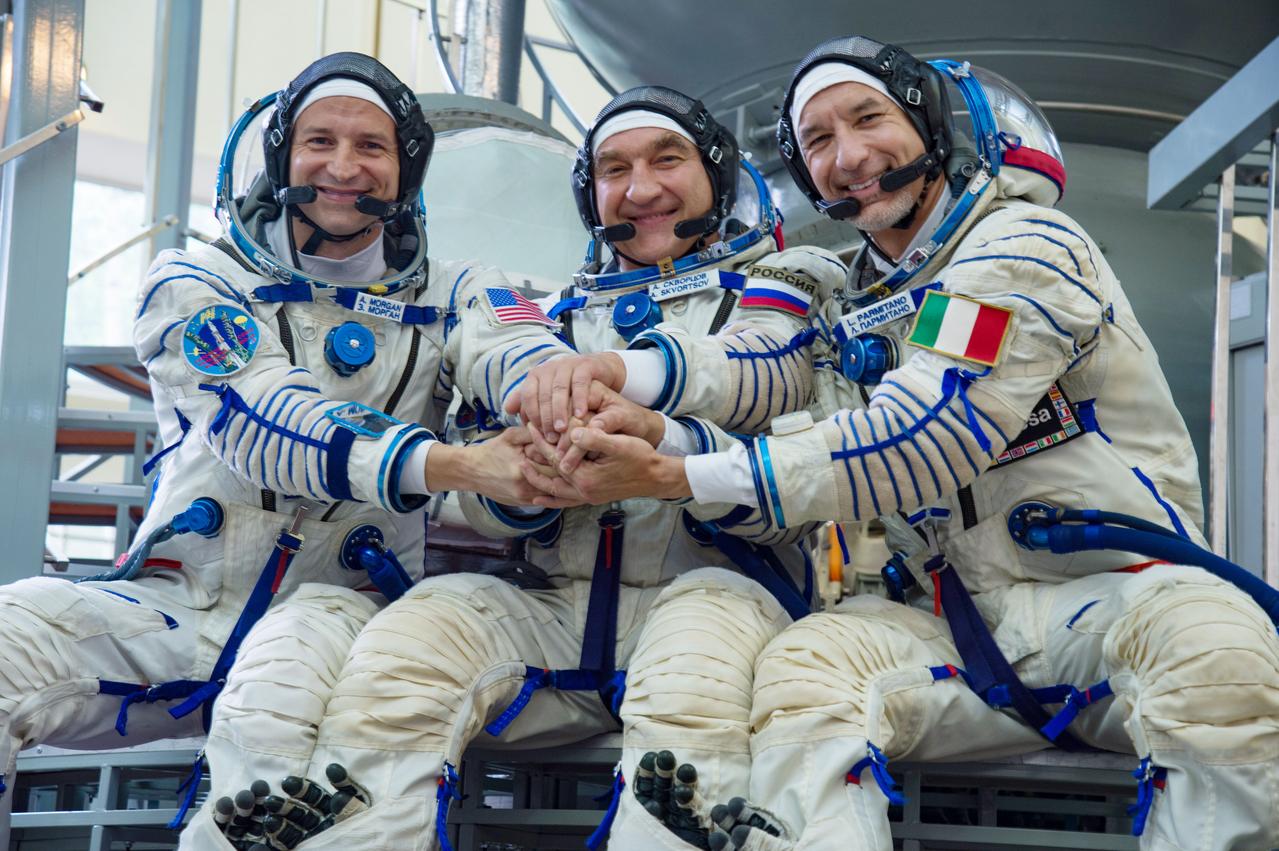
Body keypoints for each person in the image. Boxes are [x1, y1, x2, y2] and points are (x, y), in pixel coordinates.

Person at [526, 37, 1279, 851]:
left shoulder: (1022, 246)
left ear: (928, 129)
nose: (848, 156)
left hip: (1113, 602)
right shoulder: (844, 299)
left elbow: (921, 436)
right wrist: (631, 394)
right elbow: (748, 372)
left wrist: (675, 471)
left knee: (1217, 649)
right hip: (950, 623)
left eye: (866, 119)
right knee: (807, 664)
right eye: (817, 140)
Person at [257, 85, 845, 851]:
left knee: (687, 690)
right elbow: (484, 480)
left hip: (723, 592)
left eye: (666, 160)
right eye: (613, 169)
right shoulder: (552, 317)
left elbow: (764, 384)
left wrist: (659, 442)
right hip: (558, 608)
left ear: (717, 178)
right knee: (410, 645)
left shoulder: (787, 283)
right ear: (588, 194)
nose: (640, 188)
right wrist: (524, 485)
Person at [0, 50, 537, 851]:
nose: (344, 168)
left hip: (340, 617)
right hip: (180, 610)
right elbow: (264, 422)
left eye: (372, 147)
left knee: (273, 713)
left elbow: (520, 352)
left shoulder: (454, 292)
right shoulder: (194, 279)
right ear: (282, 154)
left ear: (406, 169)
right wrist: (451, 464)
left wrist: (555, 397)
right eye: (320, 142)